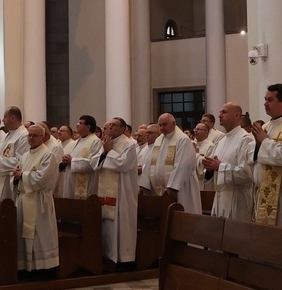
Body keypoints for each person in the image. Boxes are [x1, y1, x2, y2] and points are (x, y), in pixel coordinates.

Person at [12, 121, 60, 278]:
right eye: (29, 135)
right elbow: (17, 175)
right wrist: (16, 177)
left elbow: (42, 179)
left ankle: (44, 269)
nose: (31, 138)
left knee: (40, 235)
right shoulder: (25, 155)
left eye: (35, 135)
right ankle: (26, 267)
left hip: (39, 202)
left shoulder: (48, 155)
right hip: (24, 200)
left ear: (43, 137)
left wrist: (22, 175)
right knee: (24, 234)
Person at [251, 83, 282, 226]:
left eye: (270, 100)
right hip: (263, 193)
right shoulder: (266, 126)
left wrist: (264, 141)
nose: (265, 103)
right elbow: (254, 158)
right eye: (265, 99)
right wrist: (258, 145)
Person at [96, 117, 139, 267]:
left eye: (113, 126)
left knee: (122, 225)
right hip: (106, 193)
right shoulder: (106, 142)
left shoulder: (129, 144)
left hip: (123, 193)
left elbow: (123, 165)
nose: (109, 128)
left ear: (122, 129)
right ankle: (108, 257)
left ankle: (124, 259)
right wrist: (104, 152)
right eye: (109, 125)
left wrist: (109, 151)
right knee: (108, 225)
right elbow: (95, 163)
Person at [203, 102, 257, 220]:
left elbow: (247, 174)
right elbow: (216, 168)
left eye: (224, 112)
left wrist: (220, 167)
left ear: (237, 115)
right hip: (219, 198)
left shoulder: (246, 139)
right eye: (220, 112)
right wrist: (210, 169)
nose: (219, 115)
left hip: (237, 200)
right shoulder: (221, 141)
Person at [142, 113, 202, 216]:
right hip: (162, 190)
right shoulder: (159, 140)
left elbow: (183, 165)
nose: (162, 128)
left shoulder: (182, 139)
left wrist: (172, 187)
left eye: (164, 124)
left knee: (183, 217)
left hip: (181, 188)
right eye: (160, 125)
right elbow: (150, 162)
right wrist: (143, 185)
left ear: (173, 124)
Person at [0, 107, 28, 202]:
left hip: (9, 182)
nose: (3, 120)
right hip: (0, 178)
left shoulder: (24, 136)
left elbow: (21, 161)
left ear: (13, 118)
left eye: (5, 117)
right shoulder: (7, 135)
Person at [59, 117, 102, 200]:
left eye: (80, 123)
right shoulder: (78, 141)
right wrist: (65, 161)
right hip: (70, 181)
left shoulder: (95, 141)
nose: (77, 125)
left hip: (86, 184)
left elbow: (93, 163)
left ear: (88, 127)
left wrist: (72, 161)